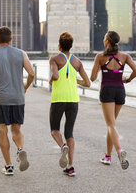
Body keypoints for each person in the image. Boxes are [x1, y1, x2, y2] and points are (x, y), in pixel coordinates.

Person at [0, 26, 35, 176]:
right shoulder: (21, 53)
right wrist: (25, 87)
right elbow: (31, 73)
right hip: (18, 97)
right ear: (11, 39)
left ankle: (9, 166)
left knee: (2, 130)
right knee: (16, 129)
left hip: (2, 99)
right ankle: (20, 149)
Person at [90, 31, 136, 170]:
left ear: (107, 41)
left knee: (110, 125)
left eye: (104, 38)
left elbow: (92, 78)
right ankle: (108, 156)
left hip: (107, 90)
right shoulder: (125, 56)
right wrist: (127, 79)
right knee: (112, 125)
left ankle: (119, 152)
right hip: (120, 91)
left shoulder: (100, 57)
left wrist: (100, 68)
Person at [49, 32, 91, 177]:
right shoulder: (78, 62)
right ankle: (70, 166)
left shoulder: (54, 59)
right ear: (71, 46)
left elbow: (55, 76)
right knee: (69, 133)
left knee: (55, 130)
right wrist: (75, 80)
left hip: (59, 99)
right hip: (73, 100)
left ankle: (63, 146)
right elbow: (88, 83)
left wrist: (50, 80)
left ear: (59, 45)